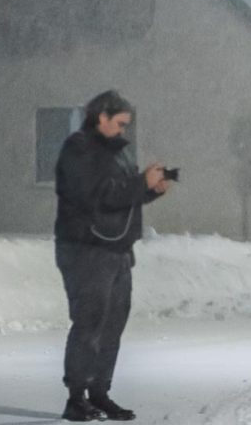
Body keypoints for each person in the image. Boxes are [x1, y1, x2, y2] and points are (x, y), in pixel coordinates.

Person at [54, 90, 171, 422]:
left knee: (112, 325)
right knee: (89, 322)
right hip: (84, 249)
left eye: (126, 125)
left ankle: (99, 392)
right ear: (101, 117)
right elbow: (99, 197)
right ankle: (76, 397)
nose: (123, 131)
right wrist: (140, 183)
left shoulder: (118, 153)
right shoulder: (78, 149)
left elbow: (124, 198)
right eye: (119, 123)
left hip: (117, 250)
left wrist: (150, 190)